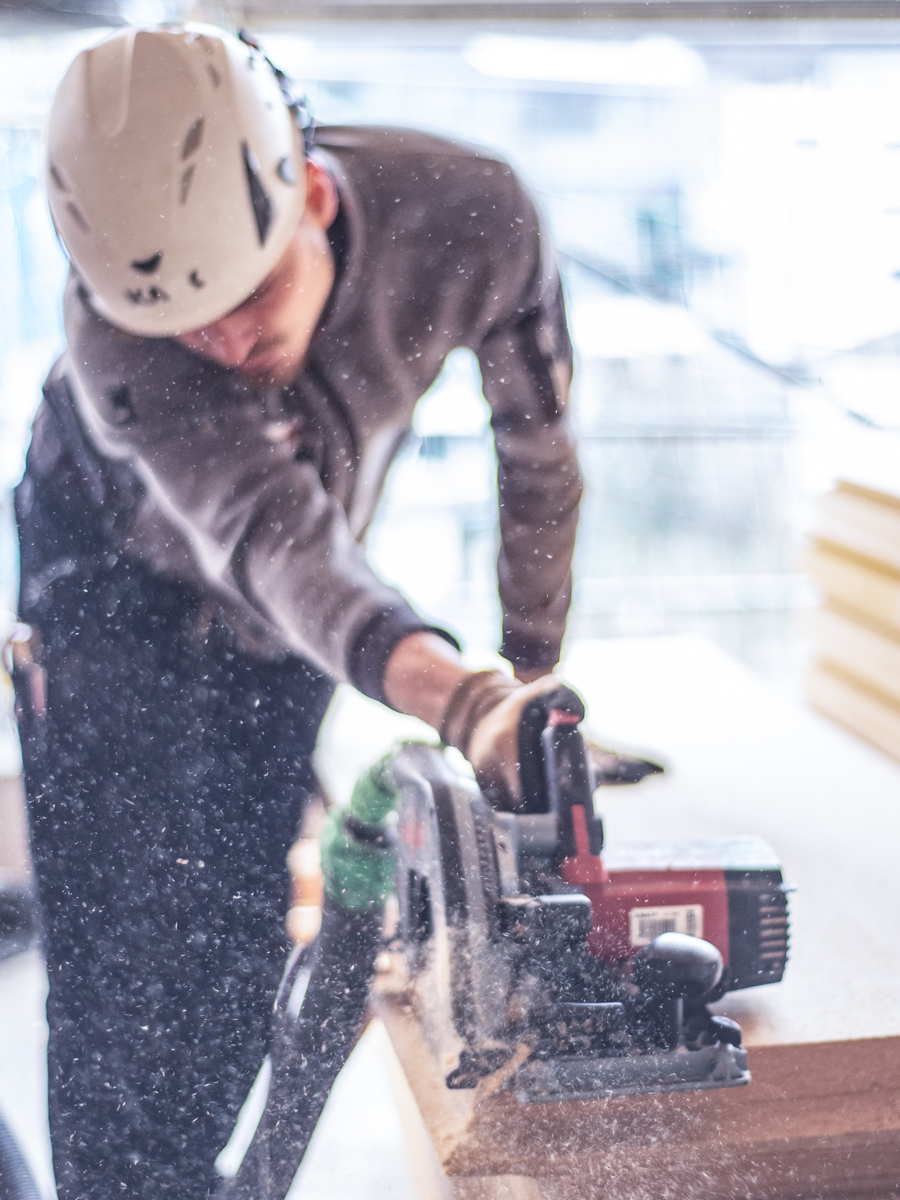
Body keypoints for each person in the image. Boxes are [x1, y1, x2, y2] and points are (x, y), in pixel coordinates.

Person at [14, 23, 582, 1200]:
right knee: (131, 958)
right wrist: (463, 697)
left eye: (248, 295)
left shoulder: (472, 215)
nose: (224, 342)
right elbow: (273, 541)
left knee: (237, 915)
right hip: (111, 572)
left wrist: (525, 687)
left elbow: (538, 458)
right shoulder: (116, 337)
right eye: (189, 326)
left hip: (299, 591)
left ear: (312, 196)